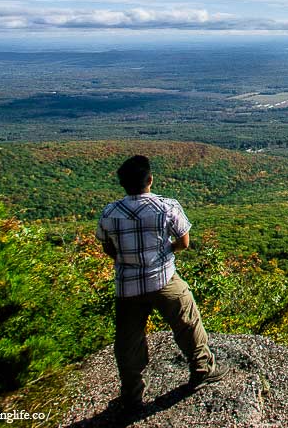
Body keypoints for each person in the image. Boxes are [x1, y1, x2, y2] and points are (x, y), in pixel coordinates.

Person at [96, 155, 227, 410]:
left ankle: (132, 395)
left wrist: (127, 260)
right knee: (188, 320)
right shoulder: (166, 207)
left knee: (128, 341)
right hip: (163, 278)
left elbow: (107, 247)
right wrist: (165, 253)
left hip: (127, 286)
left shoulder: (110, 212)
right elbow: (184, 242)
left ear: (123, 184)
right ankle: (202, 368)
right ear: (150, 180)